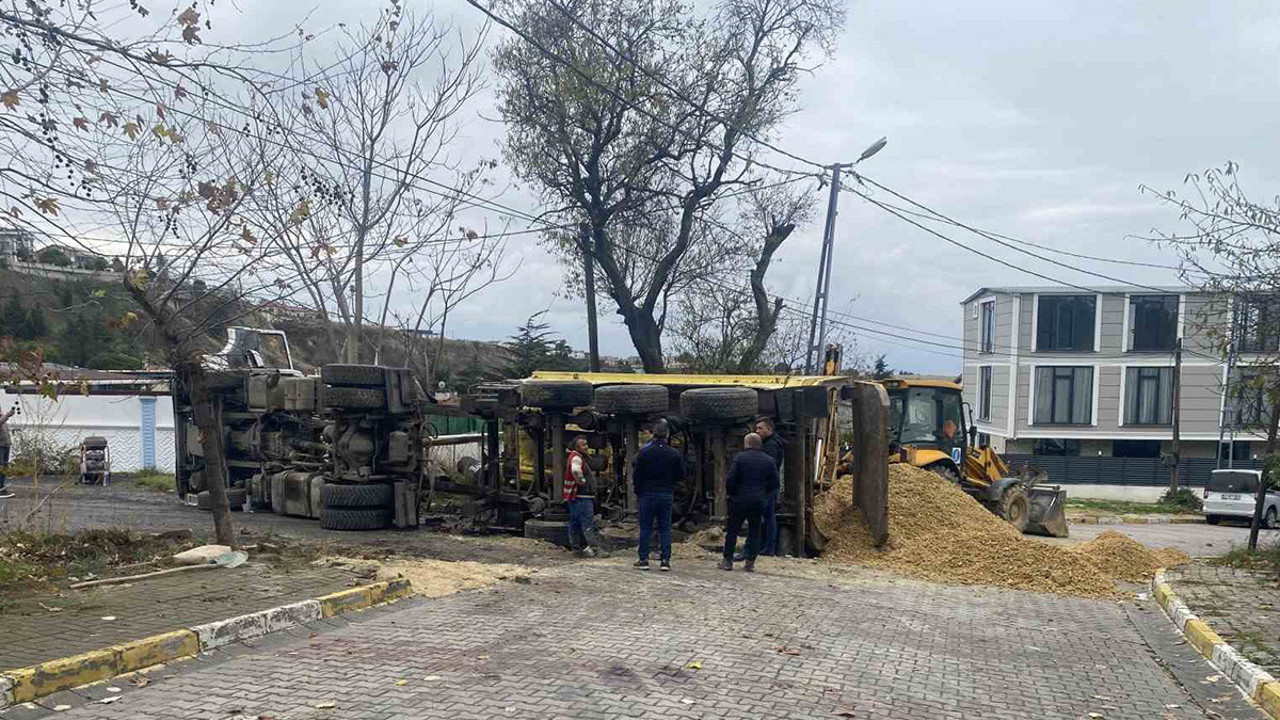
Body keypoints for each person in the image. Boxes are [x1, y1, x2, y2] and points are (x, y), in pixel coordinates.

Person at [719, 433, 780, 573]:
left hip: (739, 499)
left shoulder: (740, 458)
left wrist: (732, 493)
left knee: (732, 530)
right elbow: (775, 483)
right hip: (758, 501)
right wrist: (765, 496)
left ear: (747, 444)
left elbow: (730, 479)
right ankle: (750, 562)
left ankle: (727, 560)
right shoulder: (769, 461)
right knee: (754, 530)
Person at [632, 418, 684, 571]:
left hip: (647, 494)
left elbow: (637, 475)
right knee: (665, 528)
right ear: (667, 435)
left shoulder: (644, 453)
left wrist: (638, 491)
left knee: (645, 527)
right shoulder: (674, 454)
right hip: (666, 494)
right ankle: (665, 561)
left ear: (653, 434)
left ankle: (643, 560)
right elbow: (681, 475)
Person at [564, 435, 604, 557]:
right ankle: (595, 549)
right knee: (587, 523)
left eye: (586, 444)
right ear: (577, 447)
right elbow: (576, 470)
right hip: (582, 496)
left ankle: (576, 549)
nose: (586, 447)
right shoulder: (576, 457)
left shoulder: (574, 456)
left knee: (574, 522)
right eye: (583, 445)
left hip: (575, 497)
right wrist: (583, 482)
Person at [755, 417, 785, 557]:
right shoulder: (771, 443)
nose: (757, 431)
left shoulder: (771, 445)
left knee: (765, 516)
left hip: (767, 487)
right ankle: (767, 546)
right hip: (770, 486)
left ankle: (767, 546)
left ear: (769, 429)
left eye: (760, 428)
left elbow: (770, 467)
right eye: (756, 428)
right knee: (768, 516)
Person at [0, 405, 15, 499]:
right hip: (0, 446)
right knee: (1, 466)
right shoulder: (2, 419)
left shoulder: (2, 418)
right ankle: (0, 487)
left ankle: (2, 487)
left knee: (4, 466)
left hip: (5, 445)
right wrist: (8, 415)